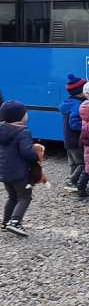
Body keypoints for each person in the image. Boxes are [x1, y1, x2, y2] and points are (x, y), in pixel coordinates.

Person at [0, 101, 44, 237]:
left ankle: (5, 222)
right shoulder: (23, 132)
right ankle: (15, 222)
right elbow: (26, 153)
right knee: (25, 196)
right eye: (25, 113)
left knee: (12, 197)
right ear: (20, 116)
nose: (27, 115)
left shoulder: (2, 129)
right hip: (19, 173)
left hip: (4, 171)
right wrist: (36, 155)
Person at [59, 74, 86, 193]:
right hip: (75, 140)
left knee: (74, 163)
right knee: (82, 163)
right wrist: (86, 126)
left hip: (68, 140)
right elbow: (74, 123)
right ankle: (72, 181)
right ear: (80, 93)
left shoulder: (68, 103)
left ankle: (73, 184)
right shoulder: (77, 105)